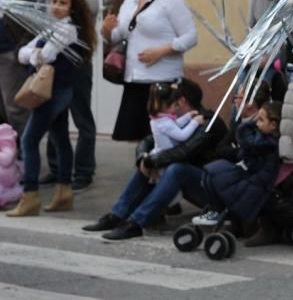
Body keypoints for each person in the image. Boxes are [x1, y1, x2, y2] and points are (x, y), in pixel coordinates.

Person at [82, 78, 229, 241]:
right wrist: (143, 158)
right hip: (190, 182)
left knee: (175, 168)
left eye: (169, 99)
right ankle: (117, 215)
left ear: (181, 101)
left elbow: (184, 152)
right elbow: (148, 140)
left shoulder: (208, 123)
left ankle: (136, 222)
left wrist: (152, 160)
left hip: (212, 191)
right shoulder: (171, 120)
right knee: (150, 162)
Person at [6, 0, 94, 216]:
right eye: (53, 1)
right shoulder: (51, 28)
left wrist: (33, 55)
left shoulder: (67, 30)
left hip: (55, 92)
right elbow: (22, 53)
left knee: (29, 140)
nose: (55, 6)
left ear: (72, 8)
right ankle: (64, 191)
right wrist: (33, 55)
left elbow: (44, 56)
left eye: (62, 3)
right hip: (56, 90)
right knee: (60, 138)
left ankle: (31, 195)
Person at [101, 0, 197, 141]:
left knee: (160, 138)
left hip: (162, 80)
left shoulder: (172, 0)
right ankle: (144, 168)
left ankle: (159, 170)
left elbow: (191, 37)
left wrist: (161, 51)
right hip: (134, 78)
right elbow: (117, 36)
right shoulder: (130, 2)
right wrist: (106, 29)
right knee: (136, 138)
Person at [41, 0, 99, 192]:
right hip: (57, 64)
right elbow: (45, 25)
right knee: (56, 117)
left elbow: (79, 19)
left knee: (82, 117)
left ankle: (84, 170)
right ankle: (57, 169)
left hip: (77, 63)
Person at [193, 101, 281, 228]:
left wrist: (249, 124)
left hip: (253, 183)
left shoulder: (267, 144)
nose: (257, 123)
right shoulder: (261, 138)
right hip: (248, 176)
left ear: (273, 125)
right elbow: (242, 152)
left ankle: (217, 211)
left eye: (261, 120)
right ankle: (214, 210)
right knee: (210, 172)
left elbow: (247, 144)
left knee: (215, 173)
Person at [0, 0, 34, 136]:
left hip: (10, 54)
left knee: (15, 108)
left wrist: (18, 52)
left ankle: (24, 154)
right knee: (4, 109)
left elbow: (30, 26)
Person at [148, 83, 203, 156]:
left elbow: (175, 125)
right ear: (166, 107)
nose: (177, 107)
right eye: (175, 105)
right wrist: (195, 122)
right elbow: (182, 136)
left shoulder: (158, 119)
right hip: (166, 156)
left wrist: (188, 116)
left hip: (162, 152)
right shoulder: (164, 123)